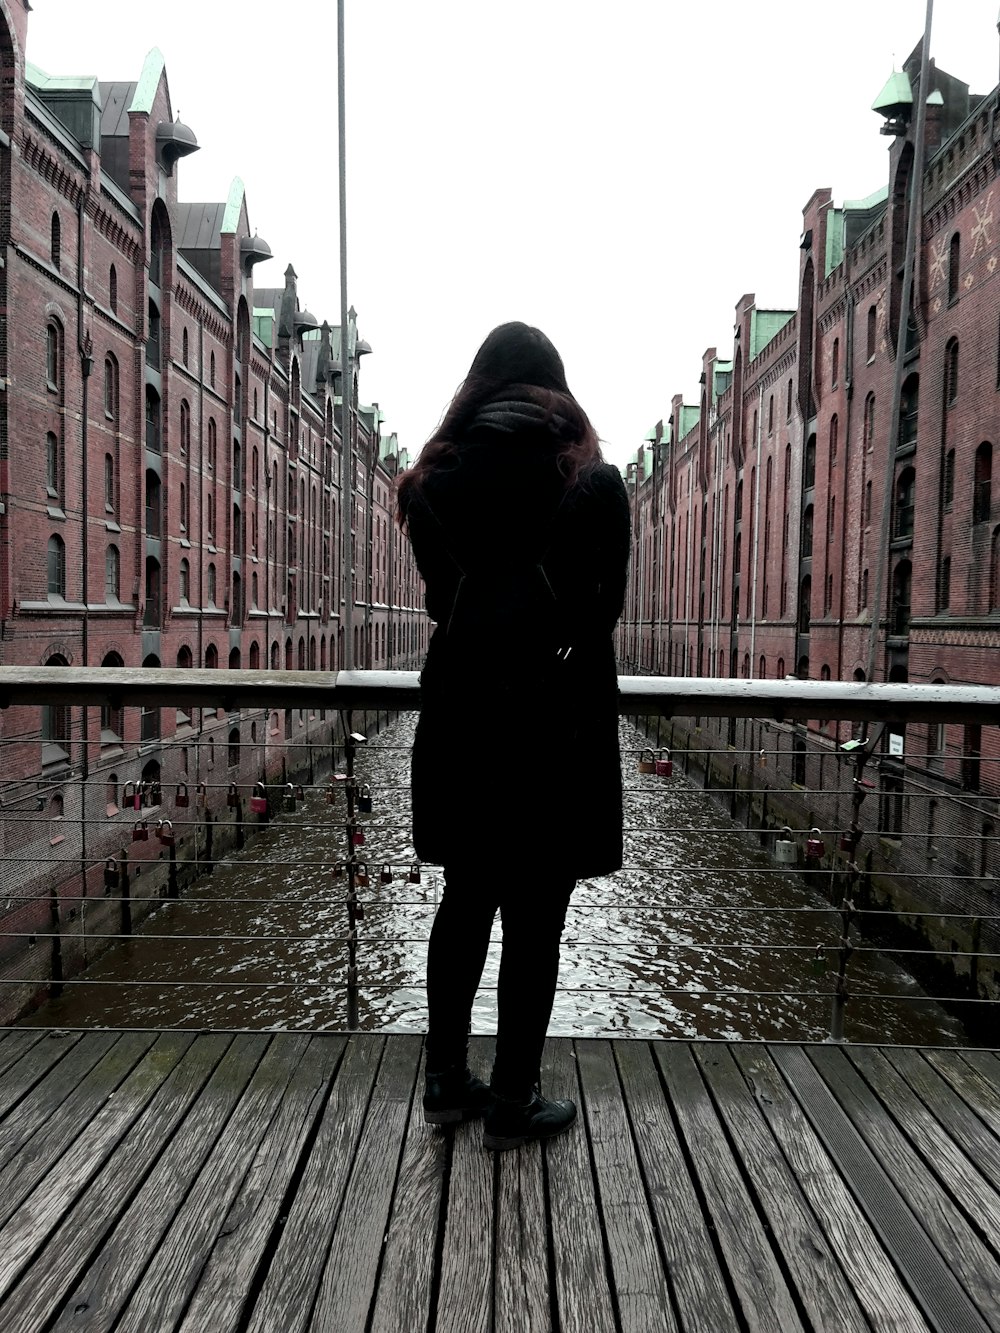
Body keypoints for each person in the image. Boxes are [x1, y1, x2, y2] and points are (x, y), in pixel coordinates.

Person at [396, 322, 630, 1150]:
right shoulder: (594, 486)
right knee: (536, 920)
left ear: (475, 390)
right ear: (557, 395)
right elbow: (600, 616)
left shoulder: (428, 486)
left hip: (464, 722)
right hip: (553, 734)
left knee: (464, 901)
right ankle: (513, 1101)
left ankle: (445, 1081)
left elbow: (440, 603)